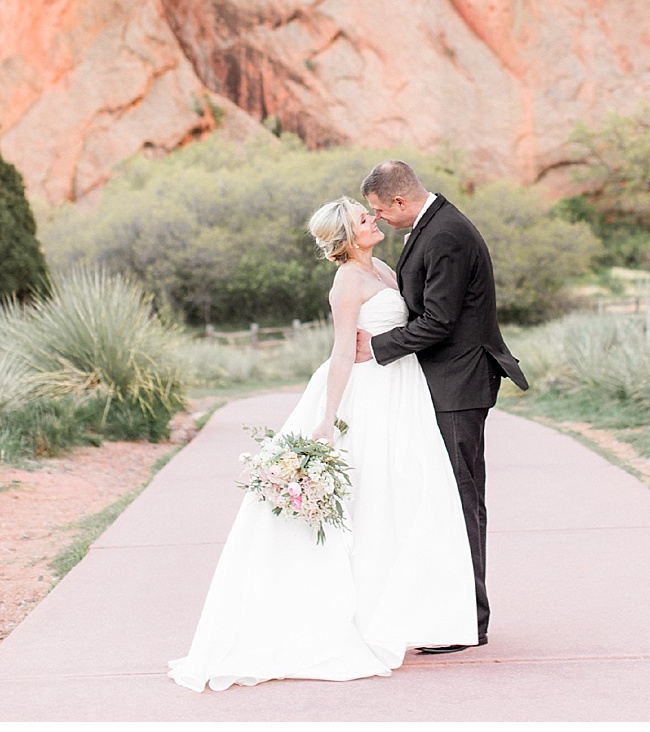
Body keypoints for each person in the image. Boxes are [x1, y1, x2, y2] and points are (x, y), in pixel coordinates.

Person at [169, 199, 477, 690]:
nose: (372, 219)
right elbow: (340, 351)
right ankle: (344, 618)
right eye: (362, 218)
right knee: (367, 498)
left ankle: (390, 609)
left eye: (370, 213)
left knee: (403, 492)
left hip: (400, 391)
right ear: (347, 235)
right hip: (365, 395)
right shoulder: (347, 283)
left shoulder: (381, 267)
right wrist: (328, 420)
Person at [355, 160, 528, 651]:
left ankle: (468, 622)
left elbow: (440, 322)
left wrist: (378, 347)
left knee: (461, 498)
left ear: (399, 202)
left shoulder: (446, 233)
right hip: (439, 382)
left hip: (458, 383)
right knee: (440, 496)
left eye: (378, 210)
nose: (379, 219)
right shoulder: (429, 226)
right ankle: (445, 609)